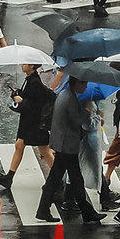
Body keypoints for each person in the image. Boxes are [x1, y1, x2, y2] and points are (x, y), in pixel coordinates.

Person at [37, 82, 104, 224]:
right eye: (83, 84)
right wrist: (87, 110)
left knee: (58, 178)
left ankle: (43, 209)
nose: (85, 87)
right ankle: (86, 212)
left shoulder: (66, 94)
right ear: (77, 83)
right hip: (66, 144)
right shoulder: (69, 99)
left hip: (63, 143)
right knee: (73, 179)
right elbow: (76, 121)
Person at [0, 63, 56, 193]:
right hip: (29, 122)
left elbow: (36, 104)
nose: (22, 65)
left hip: (34, 123)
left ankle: (57, 179)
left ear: (32, 66)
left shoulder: (35, 82)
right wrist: (20, 93)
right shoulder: (30, 79)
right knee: (20, 145)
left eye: (25, 64)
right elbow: (31, 97)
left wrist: (21, 100)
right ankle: (9, 178)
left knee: (44, 150)